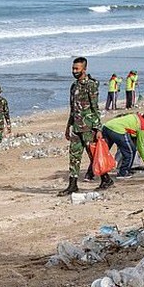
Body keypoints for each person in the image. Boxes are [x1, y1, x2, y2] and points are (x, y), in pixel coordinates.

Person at [61, 57, 104, 195]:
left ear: (84, 69)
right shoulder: (74, 86)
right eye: (73, 68)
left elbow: (95, 107)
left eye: (77, 69)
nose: (74, 71)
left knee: (93, 155)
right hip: (76, 127)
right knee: (74, 156)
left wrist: (98, 128)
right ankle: (73, 185)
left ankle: (106, 179)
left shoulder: (90, 85)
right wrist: (68, 127)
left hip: (88, 127)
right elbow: (72, 109)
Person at [102, 112, 144, 178]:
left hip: (107, 126)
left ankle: (90, 174)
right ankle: (123, 173)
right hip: (118, 129)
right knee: (131, 151)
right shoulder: (143, 127)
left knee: (102, 152)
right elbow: (140, 146)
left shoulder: (139, 117)